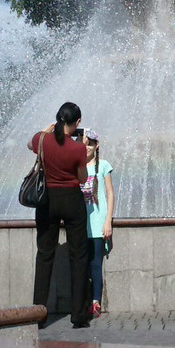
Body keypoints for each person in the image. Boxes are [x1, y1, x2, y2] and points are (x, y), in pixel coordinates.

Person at [30, 102, 91, 328]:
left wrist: (47, 130)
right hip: (71, 200)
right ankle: (78, 315)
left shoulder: (43, 140)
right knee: (79, 256)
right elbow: (83, 179)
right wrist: (83, 151)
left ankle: (37, 314)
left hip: (46, 200)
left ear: (57, 120)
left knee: (45, 254)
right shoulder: (78, 149)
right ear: (77, 123)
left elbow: (30, 142)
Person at [82, 129, 115, 317]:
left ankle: (95, 302)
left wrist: (108, 221)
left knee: (95, 264)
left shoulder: (103, 165)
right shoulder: (76, 167)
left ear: (97, 146)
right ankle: (83, 300)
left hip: (97, 225)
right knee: (82, 267)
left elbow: (110, 194)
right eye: (84, 143)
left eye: (91, 143)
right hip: (80, 225)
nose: (87, 147)